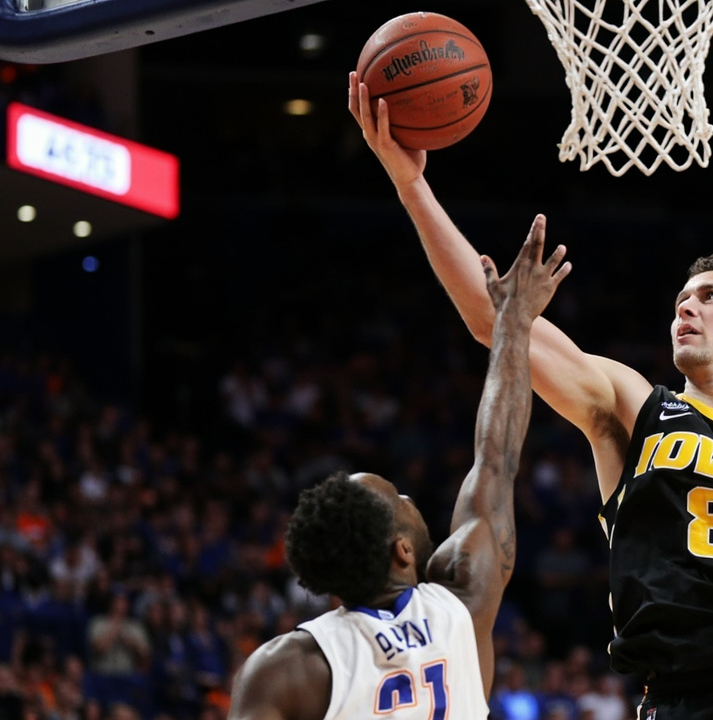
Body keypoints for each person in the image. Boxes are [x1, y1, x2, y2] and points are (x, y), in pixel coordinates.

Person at [349, 75, 713, 719]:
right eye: (681, 299)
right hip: (679, 695)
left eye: (710, 297)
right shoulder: (631, 405)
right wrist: (411, 185)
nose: (686, 307)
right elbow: (497, 322)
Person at [226, 229, 571, 719]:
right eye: (399, 499)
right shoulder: (463, 603)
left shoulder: (284, 668)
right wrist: (514, 320)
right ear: (402, 550)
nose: (410, 499)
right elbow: (496, 458)